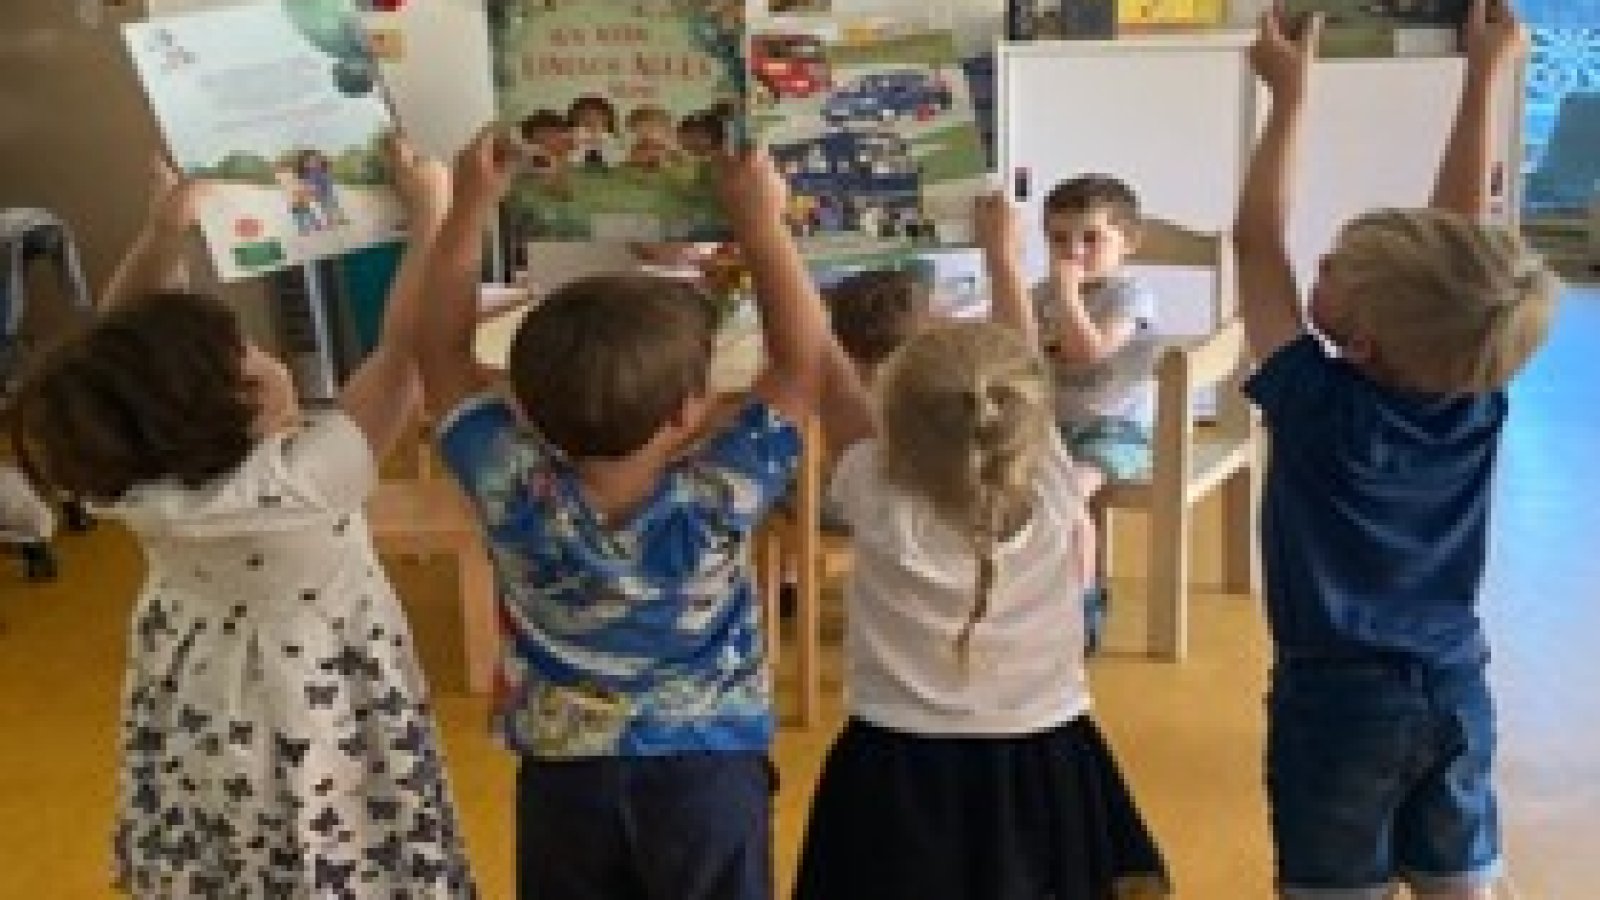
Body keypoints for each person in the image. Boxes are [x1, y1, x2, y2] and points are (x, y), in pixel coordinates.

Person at [7, 141, 476, 897]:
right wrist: (431, 219)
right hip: (314, 696)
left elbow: (119, 349)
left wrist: (163, 235)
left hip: (202, 689)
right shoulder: (304, 483)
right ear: (242, 399)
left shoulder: (126, 472)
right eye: (247, 351)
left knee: (228, 825)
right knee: (338, 821)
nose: (261, 350)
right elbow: (403, 352)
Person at [413, 129, 829, 900]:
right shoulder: (721, 495)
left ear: (526, 408)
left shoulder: (511, 481)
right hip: (707, 770)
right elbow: (802, 365)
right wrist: (761, 222)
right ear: (684, 413)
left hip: (566, 777)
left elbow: (436, 353)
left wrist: (470, 207)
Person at [1234, 3, 1554, 898]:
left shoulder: (1319, 408)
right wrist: (1484, 80)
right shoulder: (1473, 388)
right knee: (1463, 880)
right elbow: (1461, 244)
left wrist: (1289, 99)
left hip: (1336, 707)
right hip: (1457, 686)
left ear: (1366, 339)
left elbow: (1258, 244)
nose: (1318, 266)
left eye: (1333, 268)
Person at [791, 191, 1169, 900]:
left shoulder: (876, 491)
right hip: (1043, 762)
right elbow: (1022, 361)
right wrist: (1004, 256)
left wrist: (771, 234)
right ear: (1028, 419)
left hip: (896, 767)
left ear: (890, 416)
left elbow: (821, 361)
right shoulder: (1054, 485)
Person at [987, 177, 1157, 651]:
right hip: (1053, 426)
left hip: (1114, 430)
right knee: (1000, 485)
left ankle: (1081, 607)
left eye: (1090, 238)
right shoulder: (1042, 293)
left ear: (1129, 243)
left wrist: (1066, 295)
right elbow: (1015, 348)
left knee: (1063, 496)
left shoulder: (1129, 296)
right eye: (1058, 239)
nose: (1073, 251)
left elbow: (1087, 352)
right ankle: (1025, 598)